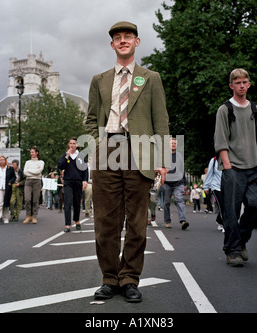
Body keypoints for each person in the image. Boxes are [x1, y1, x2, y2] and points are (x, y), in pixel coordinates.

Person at [85, 21, 169, 303]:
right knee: (105, 221)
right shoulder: (99, 79)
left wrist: (163, 161)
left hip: (141, 151)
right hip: (108, 149)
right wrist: (98, 146)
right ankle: (110, 278)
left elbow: (161, 122)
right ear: (112, 45)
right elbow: (90, 120)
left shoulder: (151, 77)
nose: (123, 41)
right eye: (118, 38)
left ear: (137, 42)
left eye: (128, 37)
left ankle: (130, 278)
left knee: (136, 222)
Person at [214, 68, 257, 267]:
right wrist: (227, 166)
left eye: (245, 82)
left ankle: (241, 240)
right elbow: (221, 141)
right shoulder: (225, 109)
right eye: (238, 83)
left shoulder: (256, 109)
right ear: (231, 86)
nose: (242, 86)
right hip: (233, 168)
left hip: (255, 166)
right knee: (231, 211)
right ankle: (233, 251)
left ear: (249, 84)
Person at [58, 137, 88, 232]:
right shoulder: (65, 155)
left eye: (74, 143)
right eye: (70, 143)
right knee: (67, 203)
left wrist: (85, 180)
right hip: (67, 181)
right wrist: (66, 157)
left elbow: (85, 169)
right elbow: (60, 166)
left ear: (77, 145)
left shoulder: (81, 156)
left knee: (76, 202)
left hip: (78, 181)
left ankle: (77, 220)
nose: (72, 145)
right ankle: (67, 224)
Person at [163, 137, 188, 229]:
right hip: (166, 183)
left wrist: (185, 183)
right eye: (172, 143)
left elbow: (182, 169)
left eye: (175, 143)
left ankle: (183, 221)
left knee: (179, 199)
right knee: (166, 203)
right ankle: (167, 221)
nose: (173, 144)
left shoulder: (179, 156)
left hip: (178, 183)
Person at [0, 156, 16, 224]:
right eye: (0, 160)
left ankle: (5, 217)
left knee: (6, 202)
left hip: (7, 188)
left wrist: (10, 181)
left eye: (3, 160)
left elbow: (14, 177)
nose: (1, 161)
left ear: (5, 161)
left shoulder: (10, 168)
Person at [23, 146, 44, 224]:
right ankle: (28, 215)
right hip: (28, 181)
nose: (31, 154)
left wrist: (30, 170)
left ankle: (34, 216)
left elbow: (39, 171)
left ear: (37, 153)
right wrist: (35, 170)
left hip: (37, 181)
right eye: (30, 152)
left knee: (35, 200)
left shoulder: (41, 162)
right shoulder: (27, 162)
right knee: (27, 199)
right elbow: (25, 172)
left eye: (33, 152)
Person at [203, 157, 224, 232]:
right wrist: (206, 186)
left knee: (227, 205)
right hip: (216, 186)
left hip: (228, 187)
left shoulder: (232, 157)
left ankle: (219, 220)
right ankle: (225, 224)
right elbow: (209, 174)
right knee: (222, 205)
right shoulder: (214, 160)